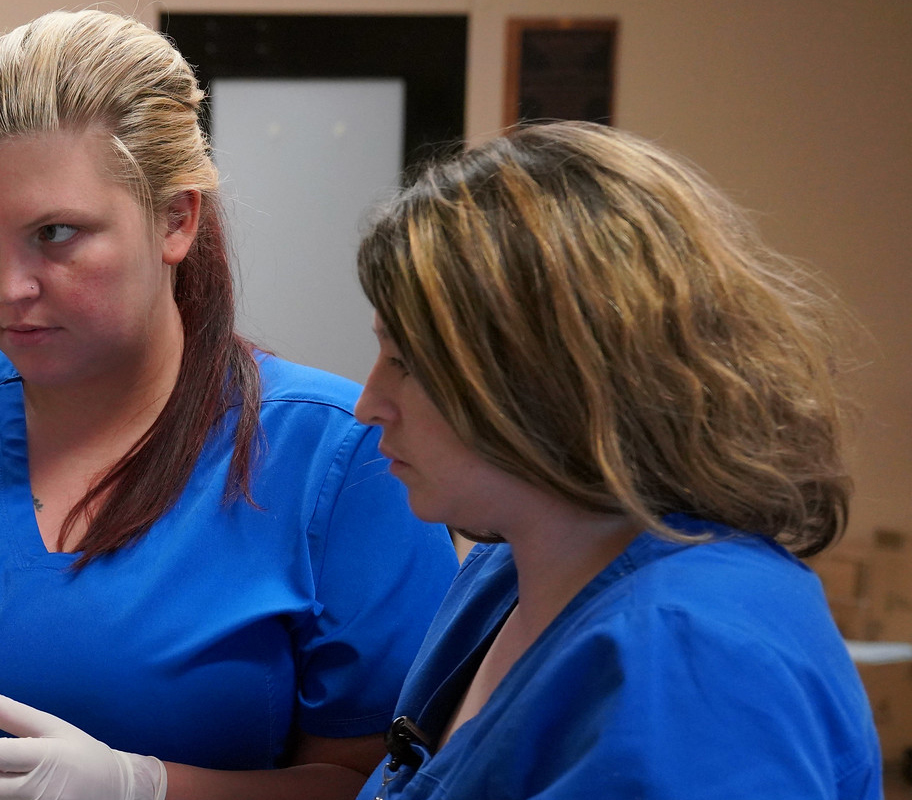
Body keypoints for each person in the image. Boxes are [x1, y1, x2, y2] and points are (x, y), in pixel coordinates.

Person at [0, 11, 458, 800]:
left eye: (56, 233)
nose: (9, 288)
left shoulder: (337, 456)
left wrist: (146, 788)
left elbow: (385, 784)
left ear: (176, 219)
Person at [343, 122, 878, 798]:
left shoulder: (694, 660)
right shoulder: (511, 569)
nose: (368, 404)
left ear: (549, 375)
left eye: (405, 362)